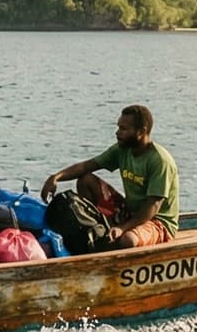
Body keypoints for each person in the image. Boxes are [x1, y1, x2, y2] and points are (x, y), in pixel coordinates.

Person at [40, 104, 180, 249]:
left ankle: (113, 240)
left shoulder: (160, 161)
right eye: (118, 127)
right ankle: (94, 232)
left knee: (128, 240)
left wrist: (123, 228)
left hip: (157, 222)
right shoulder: (123, 149)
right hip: (130, 212)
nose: (117, 132)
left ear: (141, 132)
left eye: (124, 129)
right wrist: (56, 177)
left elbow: (152, 207)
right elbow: (86, 166)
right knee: (86, 179)